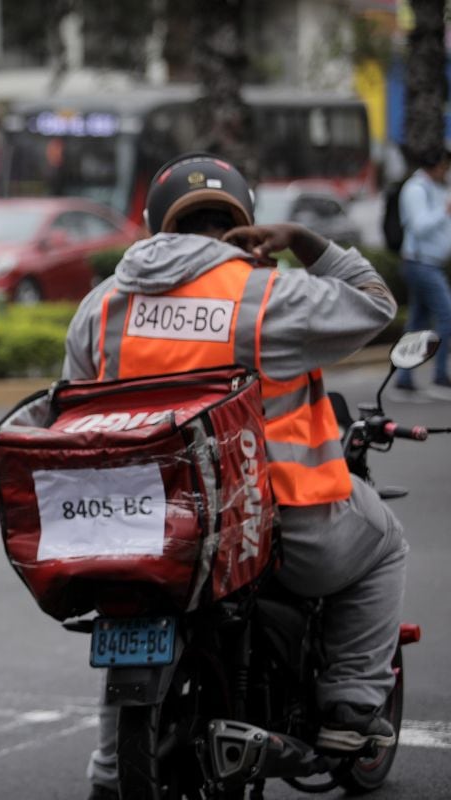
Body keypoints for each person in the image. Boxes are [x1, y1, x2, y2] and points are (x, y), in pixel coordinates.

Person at [63, 153, 408, 800]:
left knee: (132, 621)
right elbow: (377, 305)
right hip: (271, 529)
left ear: (152, 225)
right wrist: (306, 242)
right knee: (385, 546)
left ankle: (111, 770)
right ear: (246, 225)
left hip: (146, 526)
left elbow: (72, 405)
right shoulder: (272, 294)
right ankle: (350, 713)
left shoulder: (104, 305)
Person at [394, 146, 451, 399]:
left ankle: (404, 378)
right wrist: (444, 211)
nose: (446, 171)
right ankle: (440, 376)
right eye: (444, 166)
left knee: (417, 323)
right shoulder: (416, 189)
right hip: (421, 264)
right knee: (447, 316)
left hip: (429, 263)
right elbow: (419, 226)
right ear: (435, 165)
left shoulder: (434, 188)